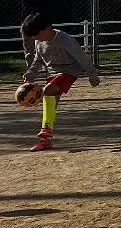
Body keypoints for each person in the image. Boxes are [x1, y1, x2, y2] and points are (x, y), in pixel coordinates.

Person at [20, 13, 100, 151]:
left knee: (47, 90)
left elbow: (82, 57)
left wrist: (92, 74)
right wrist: (31, 73)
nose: (35, 38)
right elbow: (38, 60)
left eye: (36, 34)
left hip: (69, 71)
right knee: (51, 104)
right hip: (53, 73)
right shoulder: (38, 41)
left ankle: (45, 130)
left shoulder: (65, 41)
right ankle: (46, 140)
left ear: (47, 27)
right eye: (33, 35)